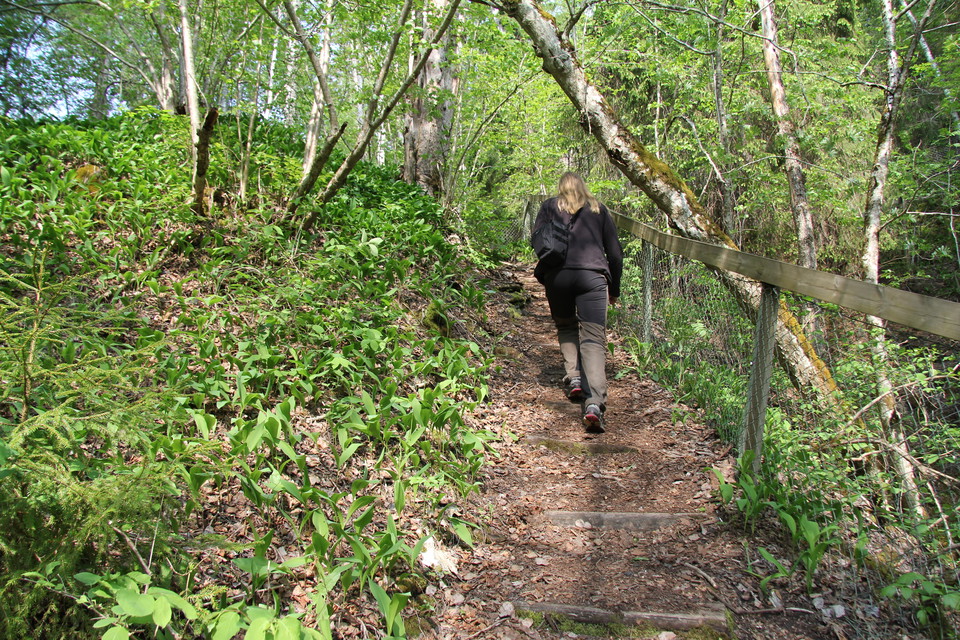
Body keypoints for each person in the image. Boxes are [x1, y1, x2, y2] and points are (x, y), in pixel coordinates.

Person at [531, 172, 623, 433]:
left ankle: (574, 378)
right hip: (592, 277)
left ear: (560, 188)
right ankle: (594, 403)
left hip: (557, 276)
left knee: (566, 326)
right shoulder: (599, 209)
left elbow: (538, 241)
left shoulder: (549, 206)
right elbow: (615, 254)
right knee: (594, 338)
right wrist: (614, 288)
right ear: (584, 187)